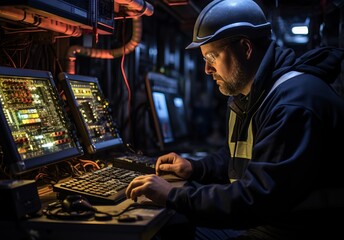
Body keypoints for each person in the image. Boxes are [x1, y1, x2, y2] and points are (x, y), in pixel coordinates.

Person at [126, 0, 344, 239]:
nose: (207, 70)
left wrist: (172, 195)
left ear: (246, 48)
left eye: (212, 57)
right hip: (271, 221)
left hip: (294, 229)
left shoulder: (294, 103)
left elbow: (256, 198)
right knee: (174, 228)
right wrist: (195, 168)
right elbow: (240, 158)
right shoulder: (255, 95)